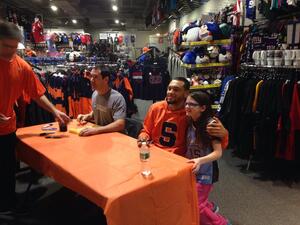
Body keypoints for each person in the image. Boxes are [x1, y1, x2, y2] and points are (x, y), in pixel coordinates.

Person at [0, 20, 70, 214]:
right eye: (6, 46)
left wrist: (54, 111)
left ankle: (7, 204)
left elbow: (37, 93)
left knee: (7, 170)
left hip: (7, 129)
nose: (11, 51)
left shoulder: (21, 66)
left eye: (14, 47)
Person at [138, 77, 228, 156]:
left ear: (186, 93)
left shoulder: (190, 112)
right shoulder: (155, 108)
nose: (170, 92)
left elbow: (215, 145)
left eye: (176, 90)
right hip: (155, 153)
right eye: (169, 89)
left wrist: (224, 134)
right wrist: (143, 137)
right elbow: (146, 131)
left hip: (179, 158)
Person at [185, 91, 230, 225]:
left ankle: (221, 223)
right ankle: (210, 207)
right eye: (186, 103)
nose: (187, 107)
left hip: (206, 172)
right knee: (192, 198)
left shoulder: (210, 125)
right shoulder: (190, 120)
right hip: (193, 168)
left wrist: (200, 160)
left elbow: (218, 153)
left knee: (196, 206)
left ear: (203, 108)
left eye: (192, 104)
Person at [77, 66, 126, 136]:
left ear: (106, 79)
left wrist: (96, 130)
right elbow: (98, 109)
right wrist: (88, 116)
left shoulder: (117, 98)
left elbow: (120, 124)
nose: (91, 80)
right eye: (91, 76)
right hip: (99, 136)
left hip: (114, 137)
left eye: (95, 77)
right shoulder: (95, 94)